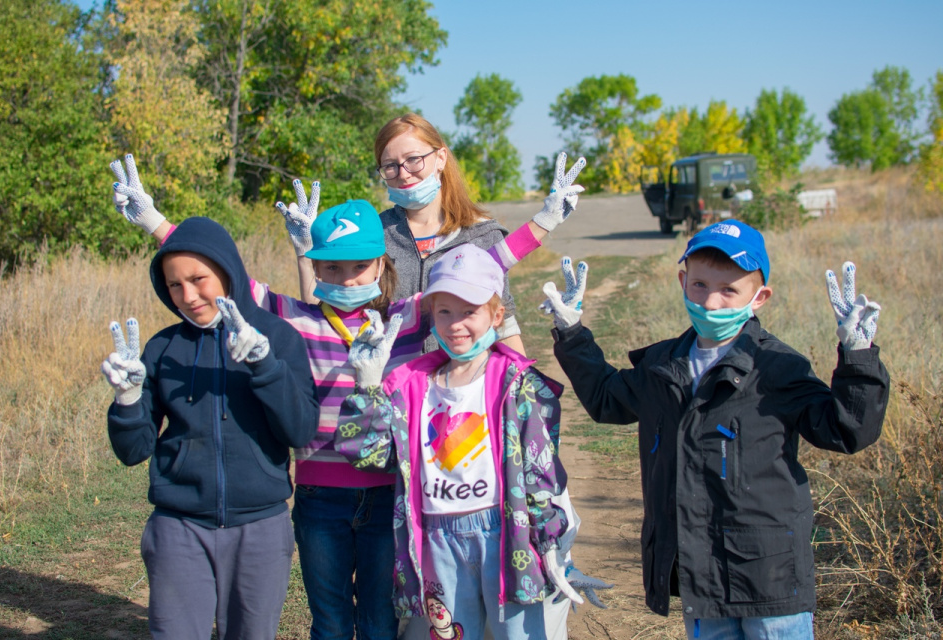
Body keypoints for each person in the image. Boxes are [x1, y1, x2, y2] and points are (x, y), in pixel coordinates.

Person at [108, 152, 586, 640]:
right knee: (331, 619)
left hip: (388, 493)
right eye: (332, 268)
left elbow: (478, 271)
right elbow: (220, 278)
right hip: (320, 496)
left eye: (360, 266)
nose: (348, 278)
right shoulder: (295, 319)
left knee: (381, 619)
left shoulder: (408, 316)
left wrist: (544, 221)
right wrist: (154, 222)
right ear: (317, 270)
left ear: (383, 263)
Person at [543, 219, 890, 639]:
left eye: (730, 290)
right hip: (699, 575)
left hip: (769, 577)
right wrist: (571, 333)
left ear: (759, 297)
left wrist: (858, 358)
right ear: (682, 281)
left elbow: (846, 430)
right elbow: (605, 398)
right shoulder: (661, 367)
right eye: (700, 285)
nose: (711, 302)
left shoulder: (778, 368)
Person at [334, 243, 586, 640]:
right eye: (444, 311)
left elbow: (539, 472)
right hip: (437, 541)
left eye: (469, 311)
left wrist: (550, 541)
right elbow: (369, 455)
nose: (456, 324)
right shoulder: (410, 387)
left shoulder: (515, 384)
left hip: (507, 536)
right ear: (430, 315)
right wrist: (366, 387)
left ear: (496, 315)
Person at [100, 216, 321, 639]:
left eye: (199, 278)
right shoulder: (163, 348)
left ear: (228, 270)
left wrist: (265, 366)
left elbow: (300, 431)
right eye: (174, 285)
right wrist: (127, 401)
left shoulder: (278, 336)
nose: (188, 295)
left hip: (260, 528)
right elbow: (133, 450)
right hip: (179, 527)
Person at [373, 113, 586, 354]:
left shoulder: (481, 234)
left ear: (440, 158)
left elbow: (503, 324)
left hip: (464, 385)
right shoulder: (373, 236)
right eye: (390, 166)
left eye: (413, 159)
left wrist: (524, 383)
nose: (403, 173)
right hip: (395, 385)